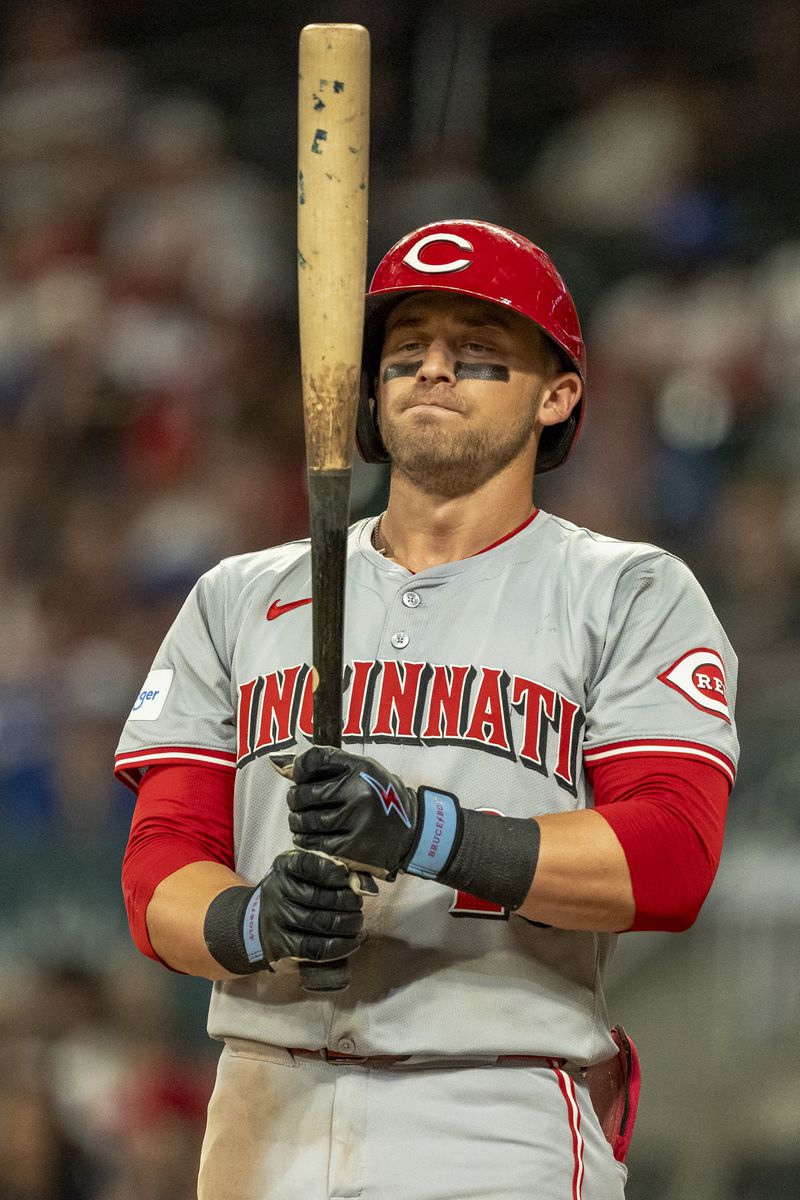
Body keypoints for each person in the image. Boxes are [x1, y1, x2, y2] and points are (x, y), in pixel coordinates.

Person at [116, 220, 738, 1200]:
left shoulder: (625, 590)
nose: (432, 370)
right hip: (260, 1102)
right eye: (405, 353)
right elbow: (157, 868)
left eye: (478, 354)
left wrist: (428, 831)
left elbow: (668, 857)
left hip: (488, 1103)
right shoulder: (239, 595)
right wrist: (254, 921)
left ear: (557, 394)